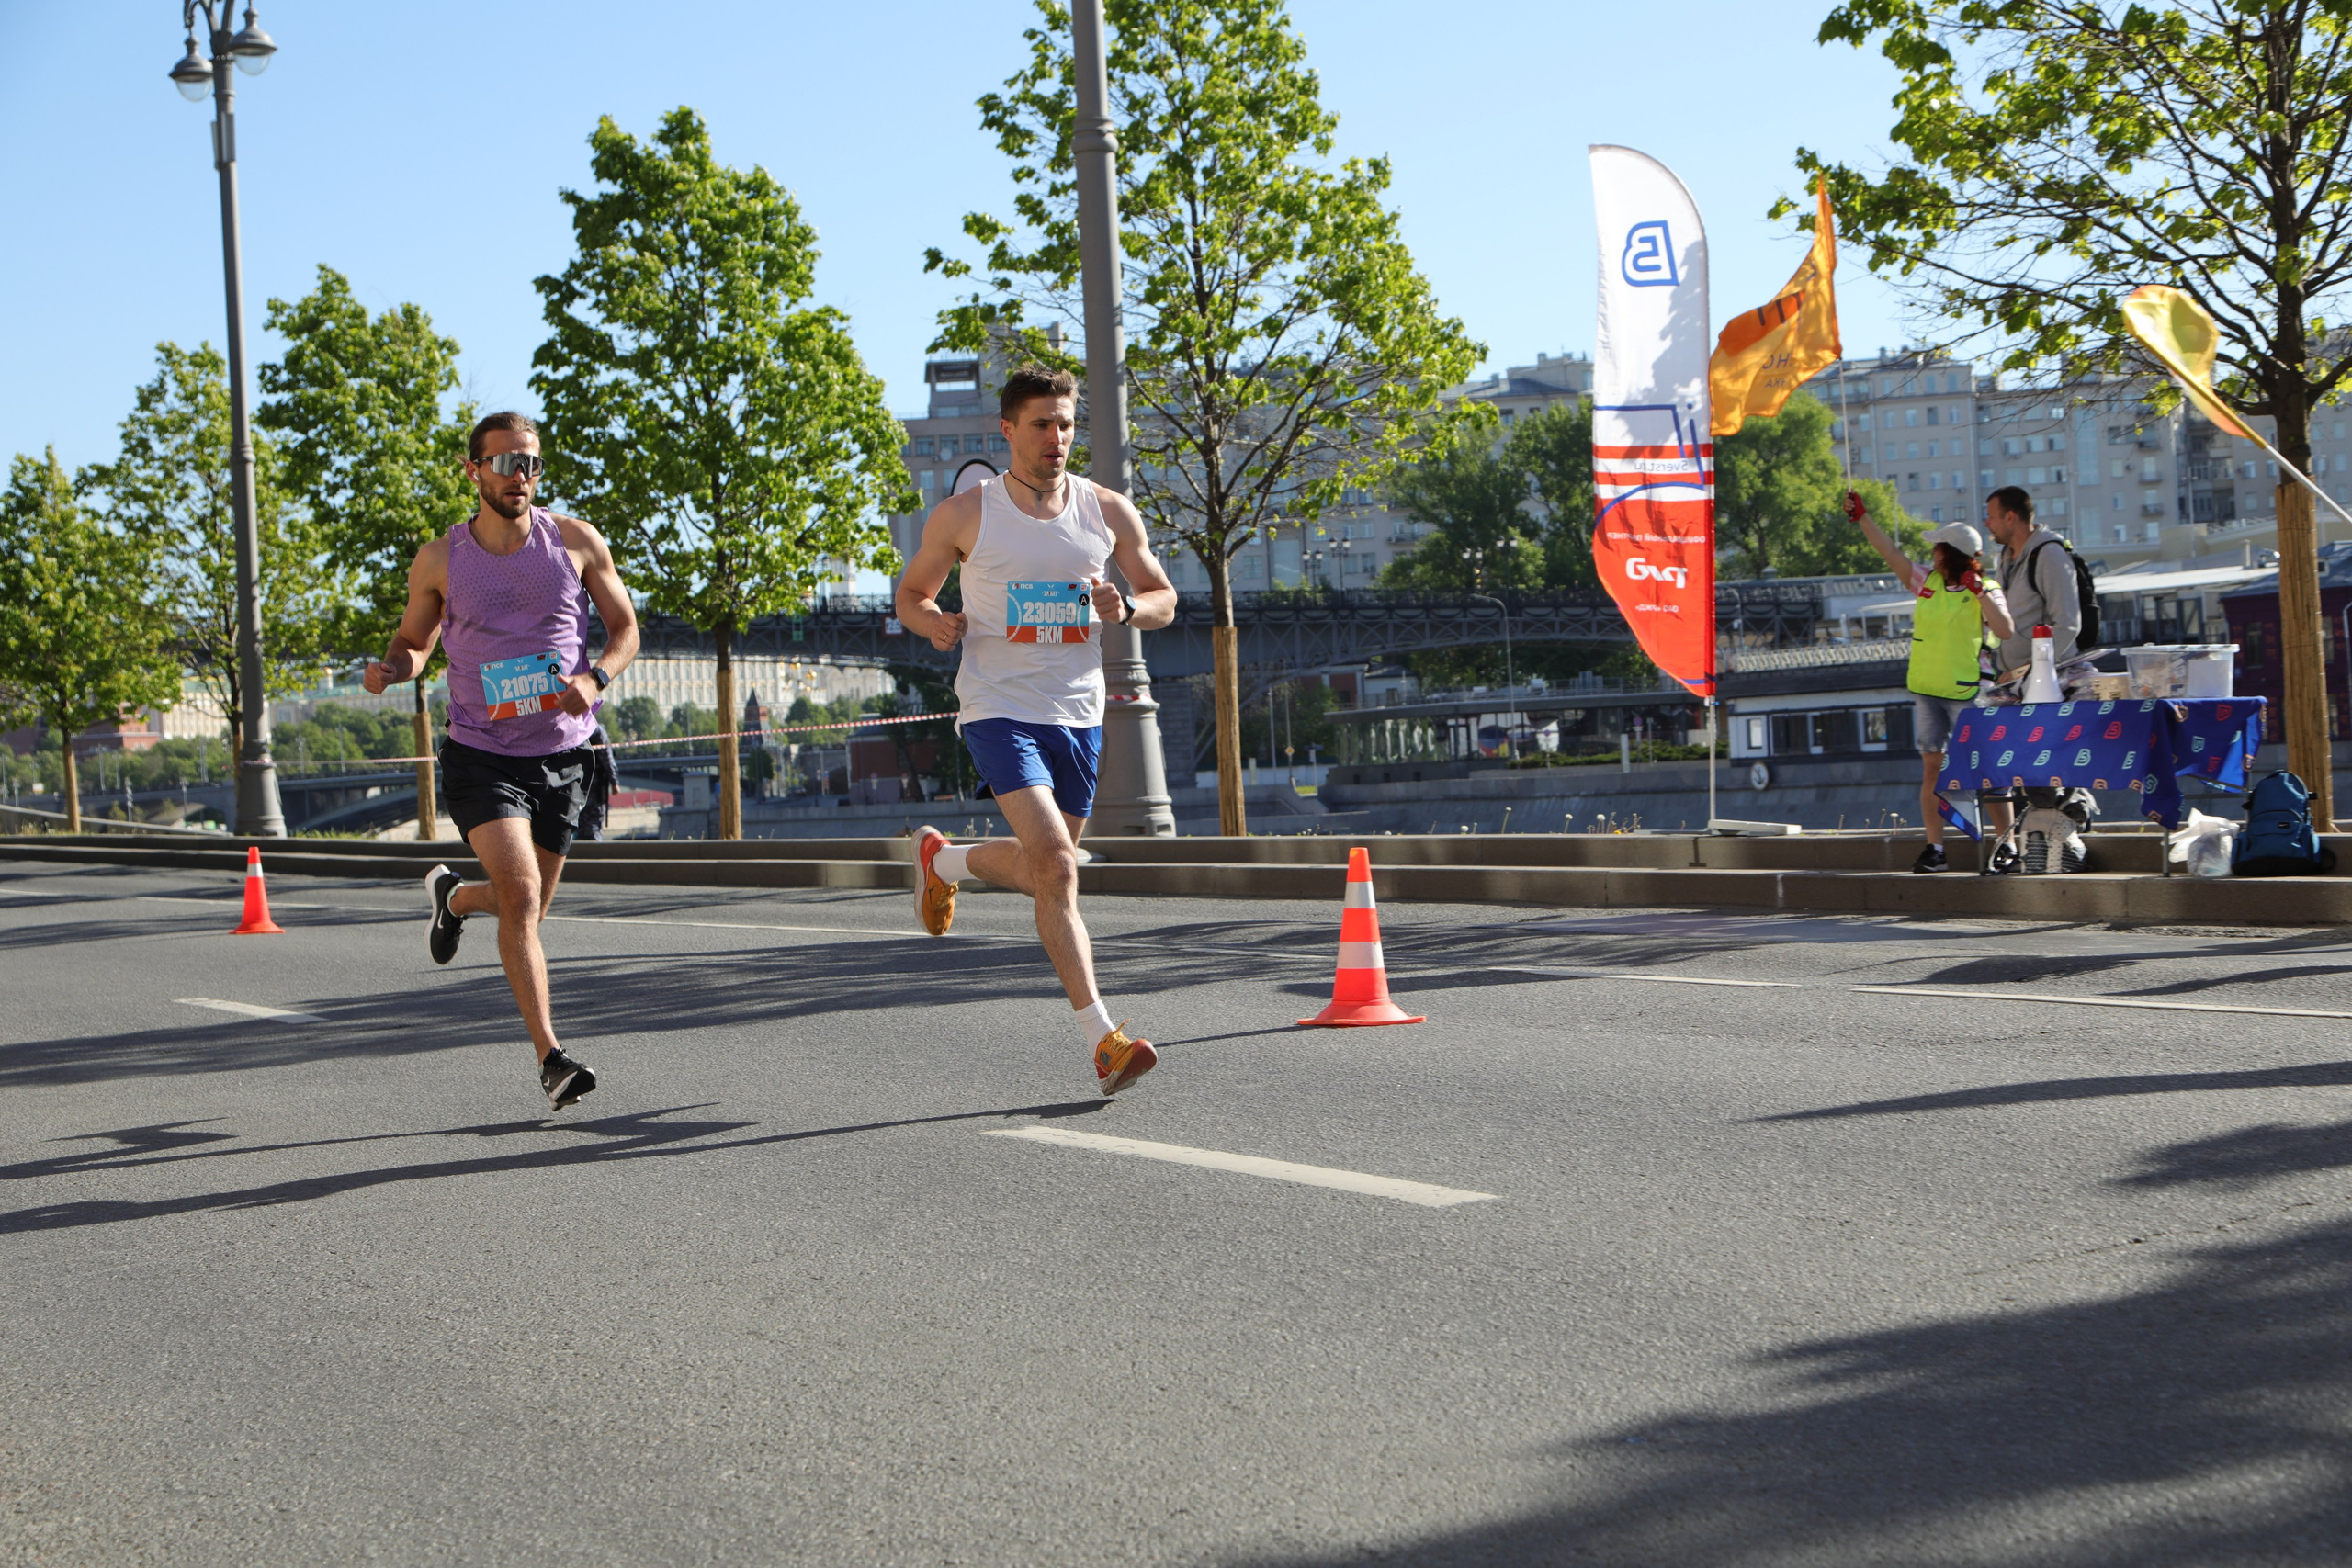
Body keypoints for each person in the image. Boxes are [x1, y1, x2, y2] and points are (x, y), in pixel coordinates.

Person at [894, 366, 1180, 1096]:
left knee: (1049, 868)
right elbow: (911, 595)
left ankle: (944, 863)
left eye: (1066, 424)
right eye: (1042, 425)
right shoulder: (967, 514)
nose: (1057, 439)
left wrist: (1127, 611)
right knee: (1057, 863)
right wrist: (936, 623)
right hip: (997, 705)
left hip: (1080, 713)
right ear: (1009, 431)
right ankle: (1105, 1040)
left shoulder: (1107, 510)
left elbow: (1164, 598)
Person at [362, 412, 640, 1111]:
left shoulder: (574, 541)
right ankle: (552, 1057)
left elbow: (627, 629)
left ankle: (453, 898)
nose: (521, 477)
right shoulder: (441, 559)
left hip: (566, 753)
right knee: (520, 898)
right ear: (474, 471)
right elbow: (415, 641)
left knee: (528, 909)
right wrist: (396, 667)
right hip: (482, 755)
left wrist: (597, 677)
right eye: (507, 463)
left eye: (532, 464)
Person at [1845, 489, 2013, 873]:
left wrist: (1978, 593)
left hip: (1970, 691)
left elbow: (2005, 630)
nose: (1931, 554)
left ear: (1950, 554)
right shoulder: (1926, 581)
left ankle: (2007, 845)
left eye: (1937, 548)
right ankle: (1935, 848)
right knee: (1932, 769)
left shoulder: (1986, 589)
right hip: (1928, 689)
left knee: (1986, 770)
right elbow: (1890, 553)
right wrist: (1862, 518)